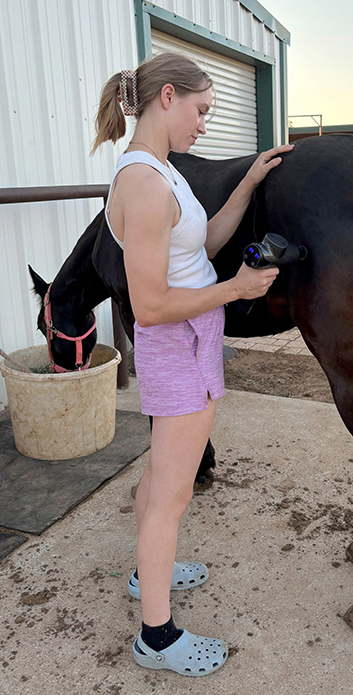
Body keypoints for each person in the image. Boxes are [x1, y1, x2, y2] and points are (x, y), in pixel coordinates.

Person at [92, 53, 292, 676]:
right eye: (202, 111)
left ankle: (147, 571)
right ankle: (156, 636)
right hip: (177, 343)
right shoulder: (145, 184)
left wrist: (247, 185)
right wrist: (235, 291)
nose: (205, 125)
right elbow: (149, 307)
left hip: (192, 338)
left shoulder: (159, 171)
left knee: (163, 477)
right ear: (168, 97)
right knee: (172, 495)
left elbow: (198, 246)